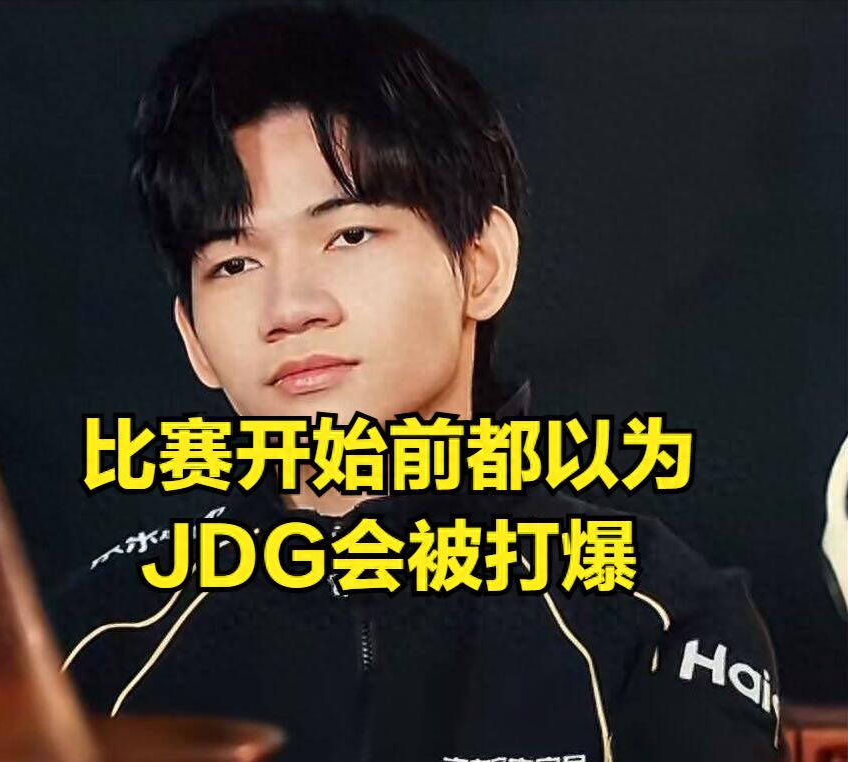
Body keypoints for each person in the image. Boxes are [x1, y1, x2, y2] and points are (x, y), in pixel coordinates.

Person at [59, 6, 786, 761]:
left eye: (348, 235)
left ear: (480, 265)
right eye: (235, 264)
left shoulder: (656, 615)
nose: (291, 309)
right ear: (193, 338)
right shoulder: (95, 641)